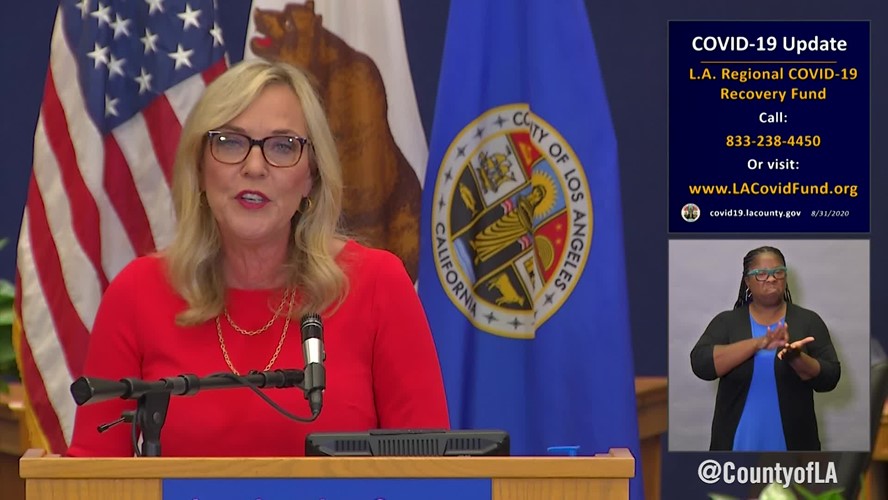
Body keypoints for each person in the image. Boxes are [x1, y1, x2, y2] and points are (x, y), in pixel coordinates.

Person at [67, 59, 449, 457]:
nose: (254, 167)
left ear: (311, 177)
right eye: (230, 142)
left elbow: (431, 471)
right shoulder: (138, 293)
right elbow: (92, 474)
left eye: (282, 146)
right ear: (199, 167)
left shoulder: (376, 285)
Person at [690, 246, 840, 451]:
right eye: (761, 274)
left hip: (794, 449)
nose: (771, 279)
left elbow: (830, 378)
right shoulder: (727, 322)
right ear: (747, 281)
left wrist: (796, 358)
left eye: (778, 272)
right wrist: (759, 343)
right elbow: (701, 364)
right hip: (737, 445)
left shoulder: (808, 321)